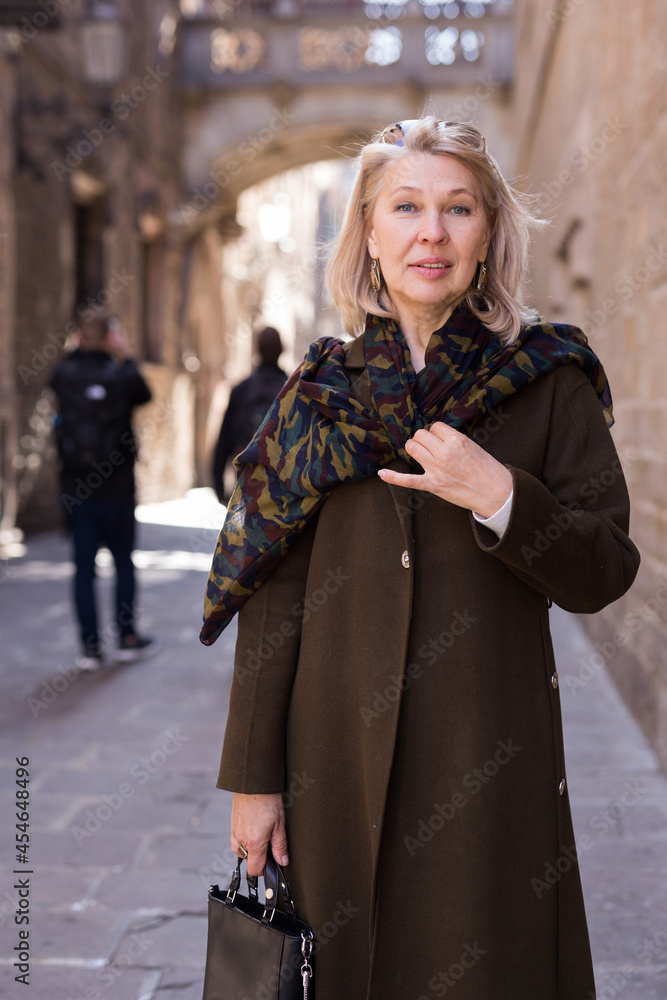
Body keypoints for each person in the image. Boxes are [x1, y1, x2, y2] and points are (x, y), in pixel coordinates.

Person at [199, 118, 640, 999]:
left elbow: (604, 569)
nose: (430, 233)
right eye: (404, 208)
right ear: (368, 233)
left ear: (487, 234)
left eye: (457, 209)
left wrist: (502, 496)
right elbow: (270, 593)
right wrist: (253, 781)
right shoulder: (318, 397)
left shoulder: (548, 378)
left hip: (488, 763)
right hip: (332, 764)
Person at [50, 308, 157, 671]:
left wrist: (77, 348)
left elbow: (55, 384)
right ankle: (127, 637)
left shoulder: (64, 374)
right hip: (117, 487)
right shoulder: (122, 376)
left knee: (84, 569)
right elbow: (145, 393)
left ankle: (90, 647)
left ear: (78, 336)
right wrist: (124, 354)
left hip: (76, 488)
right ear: (111, 337)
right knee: (123, 563)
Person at [212, 325, 287, 504]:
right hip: (284, 491)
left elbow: (223, 442)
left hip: (247, 485)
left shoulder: (241, 390)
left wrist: (220, 491)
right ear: (282, 350)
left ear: (257, 350)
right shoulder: (292, 391)